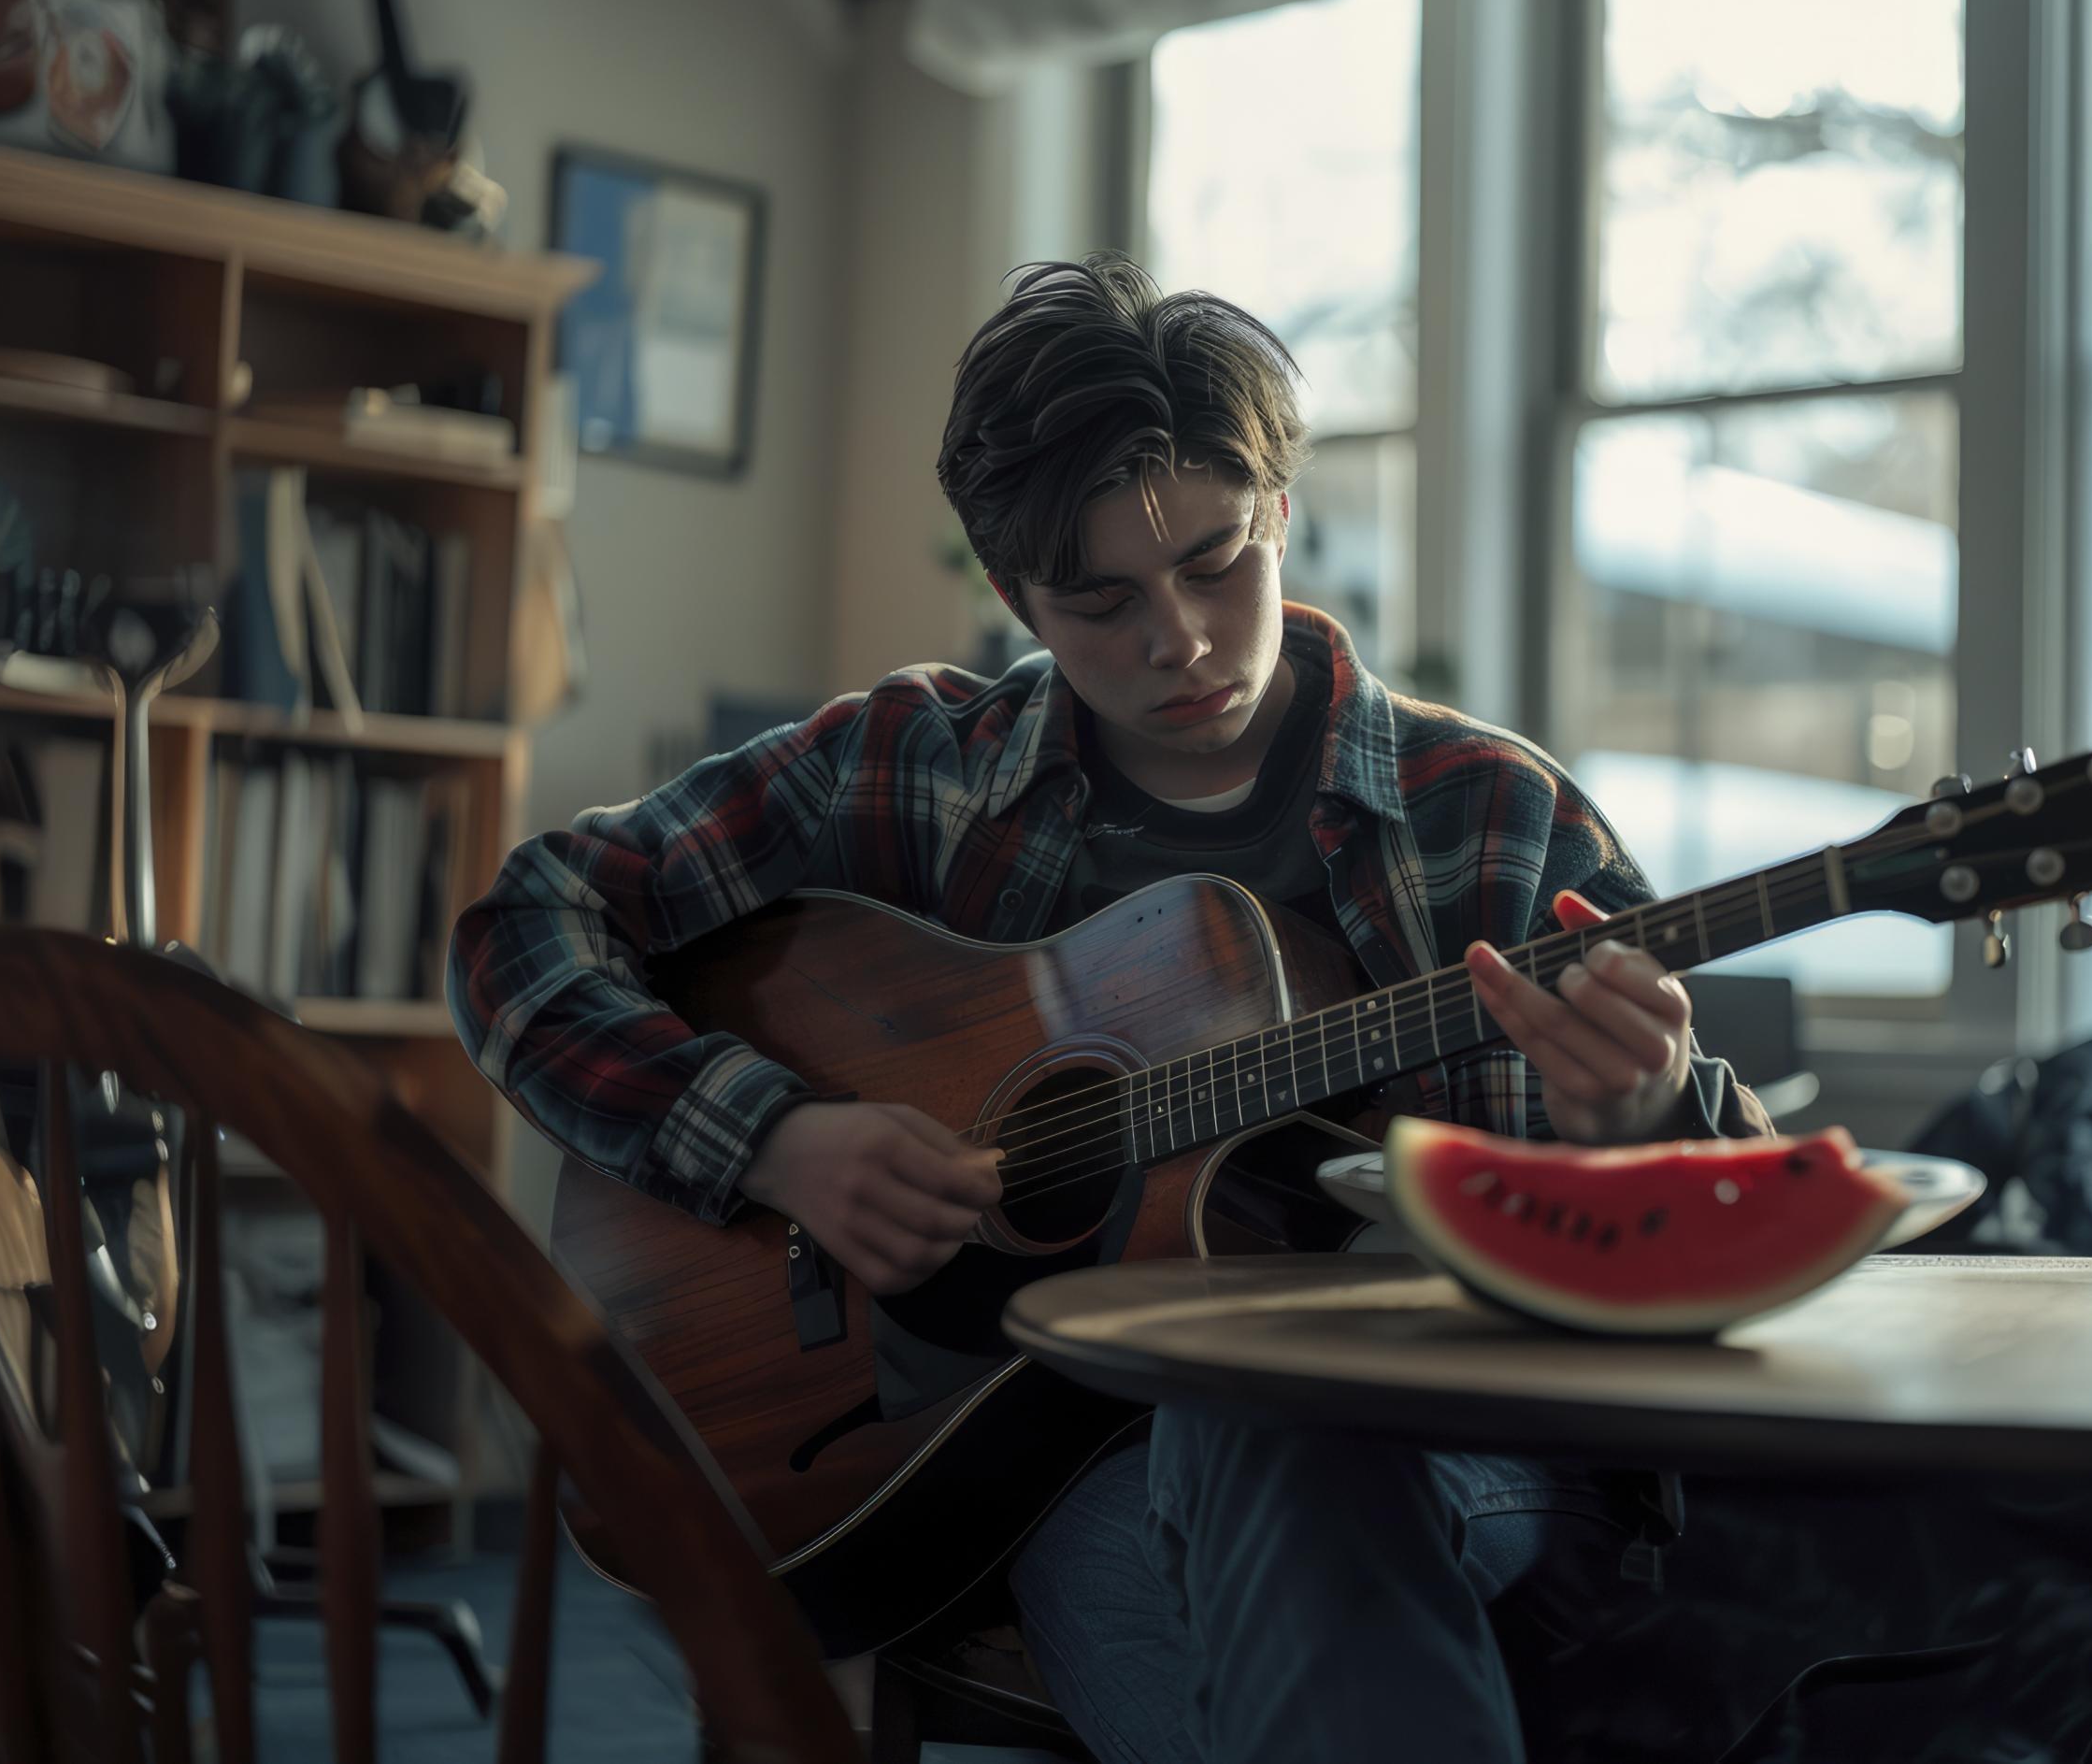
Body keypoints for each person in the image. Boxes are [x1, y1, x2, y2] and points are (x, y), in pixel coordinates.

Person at [451, 254, 1771, 1762]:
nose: (1183, 638)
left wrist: (1645, 1117)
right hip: (1069, 1460)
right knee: (1164, 1482)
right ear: (1015, 594)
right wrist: (774, 1138)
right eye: (1102, 600)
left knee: (1255, 1432)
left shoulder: (1491, 815)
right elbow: (521, 926)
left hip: (1452, 1436)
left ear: (1278, 511)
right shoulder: (912, 767)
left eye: (1219, 560)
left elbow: (1719, 1243)